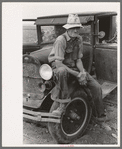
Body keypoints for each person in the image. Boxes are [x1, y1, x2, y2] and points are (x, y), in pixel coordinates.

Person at [48, 14, 107, 121]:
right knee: (61, 72)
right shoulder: (60, 40)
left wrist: (82, 73)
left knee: (96, 87)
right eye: (72, 28)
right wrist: (78, 75)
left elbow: (78, 60)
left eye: (77, 28)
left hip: (73, 68)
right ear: (68, 28)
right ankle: (62, 104)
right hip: (60, 68)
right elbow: (59, 64)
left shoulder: (79, 39)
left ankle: (99, 114)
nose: (75, 30)